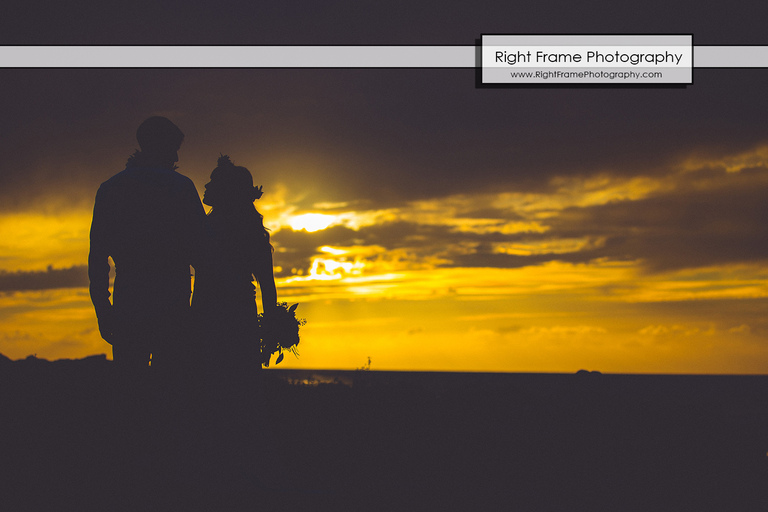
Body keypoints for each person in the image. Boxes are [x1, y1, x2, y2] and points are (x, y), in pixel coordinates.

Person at [88, 116, 206, 372]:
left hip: (128, 300)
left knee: (131, 390)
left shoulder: (111, 188)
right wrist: (197, 311)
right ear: (161, 146)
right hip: (173, 302)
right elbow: (202, 253)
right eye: (174, 148)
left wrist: (102, 308)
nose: (176, 157)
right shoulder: (182, 187)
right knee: (170, 390)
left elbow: (97, 257)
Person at [191, 154, 278, 378]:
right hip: (237, 316)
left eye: (213, 181)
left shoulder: (204, 229)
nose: (206, 185)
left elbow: (268, 286)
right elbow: (267, 287)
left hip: (209, 316)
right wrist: (269, 331)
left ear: (226, 190)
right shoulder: (252, 233)